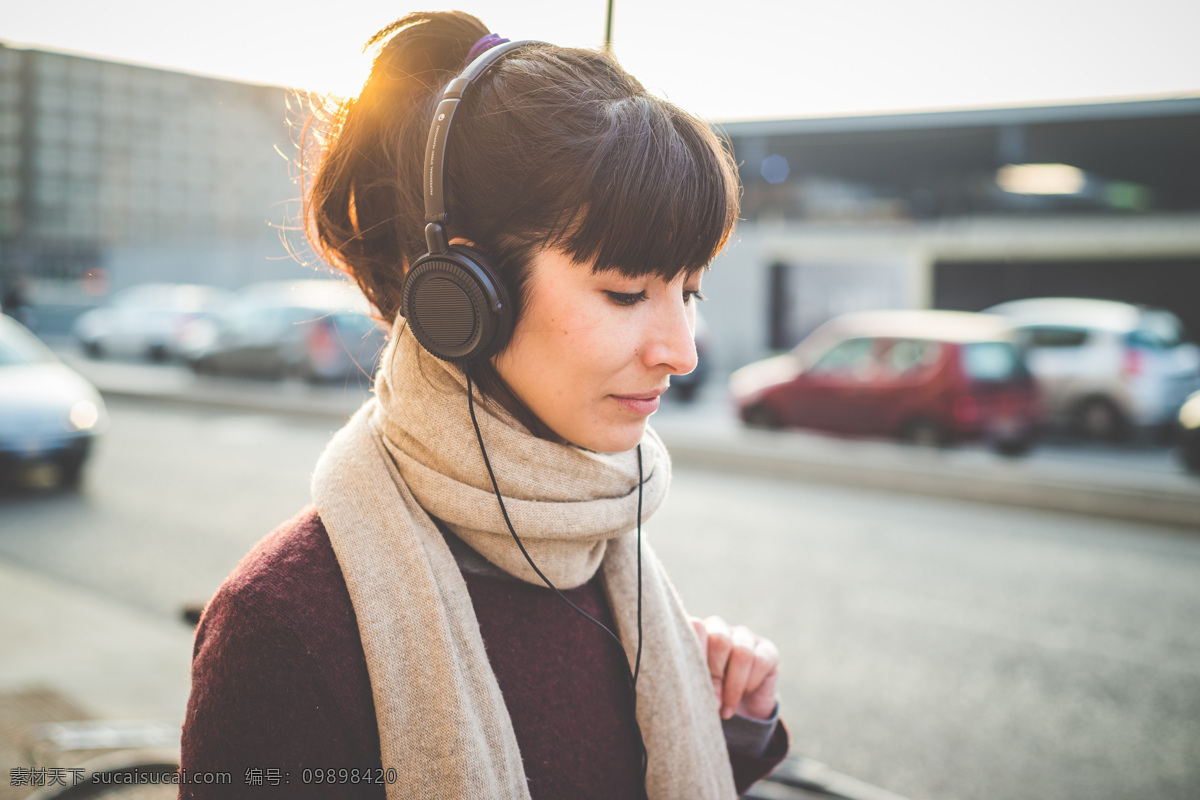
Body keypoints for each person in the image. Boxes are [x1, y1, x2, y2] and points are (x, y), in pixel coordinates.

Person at [180, 11, 789, 799]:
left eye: (689, 291)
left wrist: (727, 731)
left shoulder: (606, 562)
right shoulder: (285, 630)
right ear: (466, 298)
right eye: (627, 291)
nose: (682, 350)